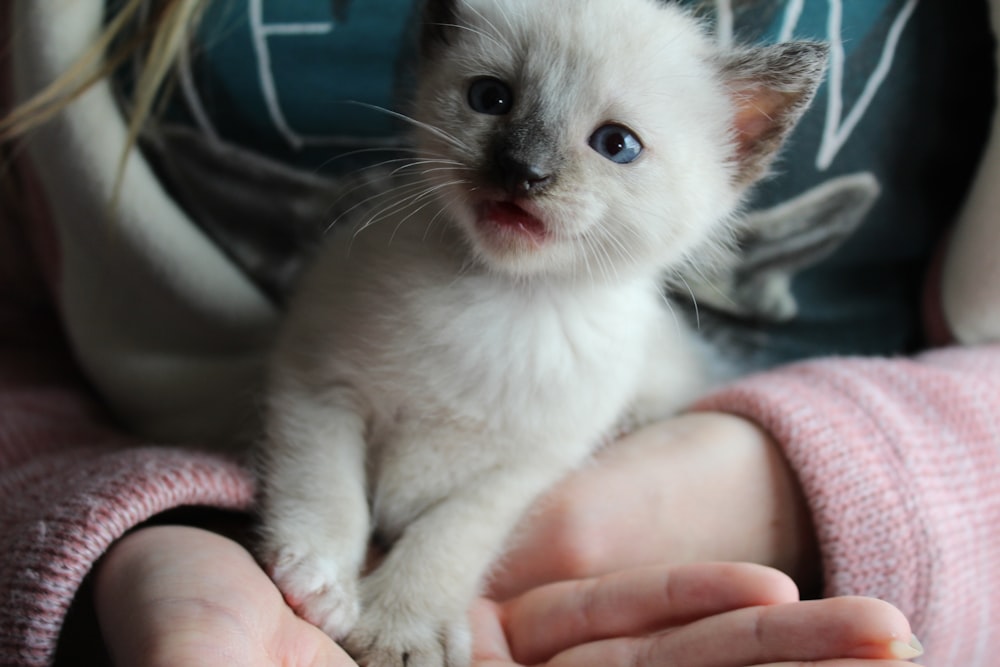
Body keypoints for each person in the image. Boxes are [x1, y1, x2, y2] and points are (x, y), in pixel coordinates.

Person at [1, 0, 997, 664]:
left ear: (739, 143)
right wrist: (127, 532)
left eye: (613, 145)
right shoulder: (380, 266)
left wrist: (789, 483)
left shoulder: (619, 347)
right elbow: (318, 383)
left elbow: (518, 473)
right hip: (191, 497)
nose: (522, 162)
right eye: (489, 97)